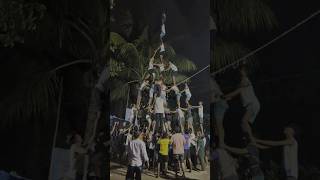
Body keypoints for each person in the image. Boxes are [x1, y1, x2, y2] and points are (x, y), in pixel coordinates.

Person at [224, 66, 260, 141]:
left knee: (244, 121)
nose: (241, 72)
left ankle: (251, 138)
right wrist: (227, 97)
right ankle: (248, 137)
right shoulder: (243, 83)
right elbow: (236, 94)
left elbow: (237, 91)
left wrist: (225, 96)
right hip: (251, 105)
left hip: (252, 104)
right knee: (243, 123)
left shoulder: (245, 80)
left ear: (245, 72)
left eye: (242, 70)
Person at [211, 77, 229, 147]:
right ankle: (218, 142)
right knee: (216, 125)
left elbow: (215, 96)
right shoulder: (212, 82)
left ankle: (222, 143)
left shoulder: (211, 83)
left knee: (219, 124)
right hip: (218, 103)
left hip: (219, 103)